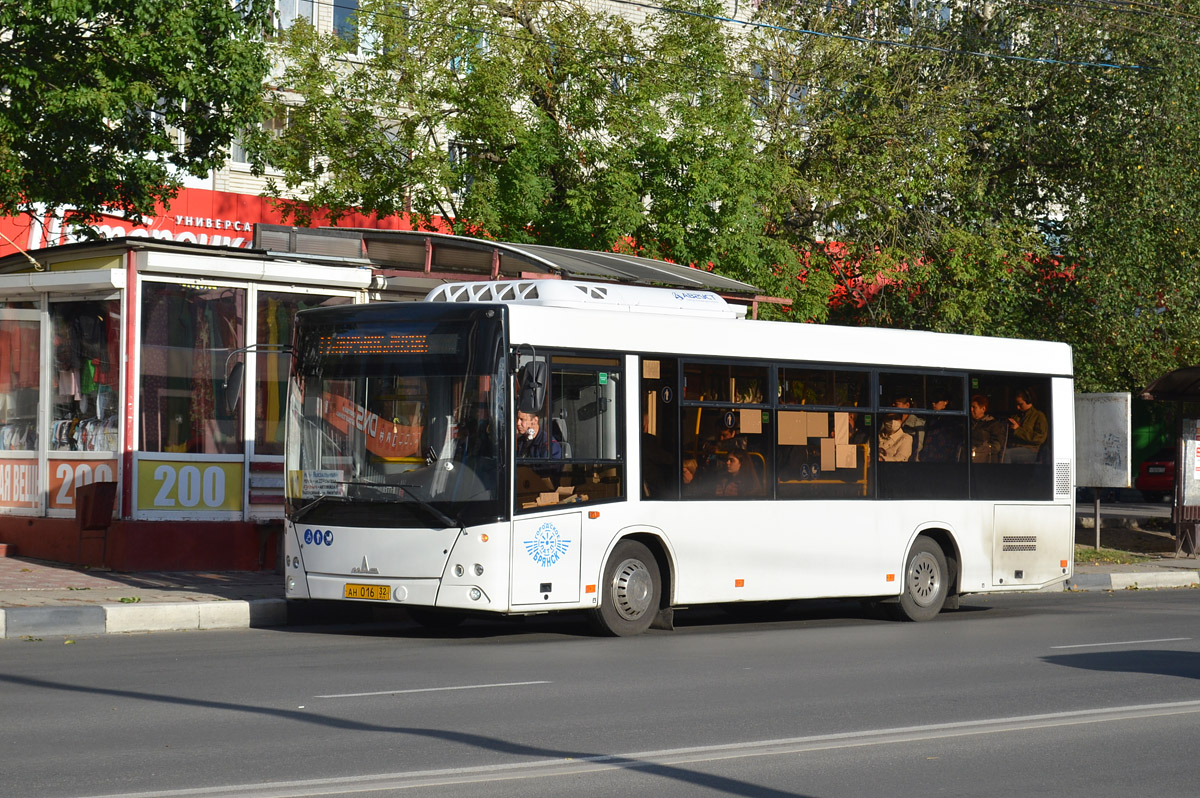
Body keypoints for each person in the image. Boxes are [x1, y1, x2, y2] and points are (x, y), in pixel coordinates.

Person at [1004, 389, 1048, 463]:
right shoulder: (1016, 416)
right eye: (1017, 404)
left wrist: (1018, 430)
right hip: (1014, 447)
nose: (1018, 407)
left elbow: (1039, 438)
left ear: (1029, 401)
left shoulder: (1039, 416)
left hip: (1031, 450)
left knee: (1006, 454)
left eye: (1020, 404)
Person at [918, 391, 961, 462]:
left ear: (945, 402)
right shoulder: (931, 418)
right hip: (929, 456)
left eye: (936, 401)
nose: (933, 404)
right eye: (932, 401)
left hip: (943, 457)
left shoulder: (951, 420)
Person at [969, 394, 1004, 463]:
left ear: (983, 409)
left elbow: (997, 445)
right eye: (970, 407)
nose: (971, 410)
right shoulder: (968, 423)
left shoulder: (993, 424)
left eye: (974, 407)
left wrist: (981, 449)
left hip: (985, 458)